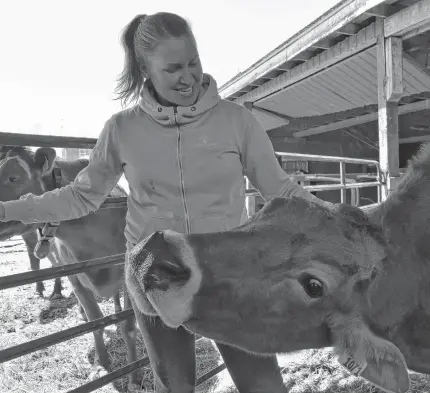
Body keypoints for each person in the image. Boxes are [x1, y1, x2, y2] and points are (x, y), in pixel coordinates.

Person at [0, 12, 332, 393]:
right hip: (155, 275)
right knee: (174, 388)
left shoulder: (236, 121)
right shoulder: (122, 128)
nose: (188, 76)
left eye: (194, 62)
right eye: (173, 68)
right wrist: (11, 209)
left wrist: (338, 219)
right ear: (145, 69)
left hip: (230, 275)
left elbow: (281, 189)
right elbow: (81, 195)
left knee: (265, 387)